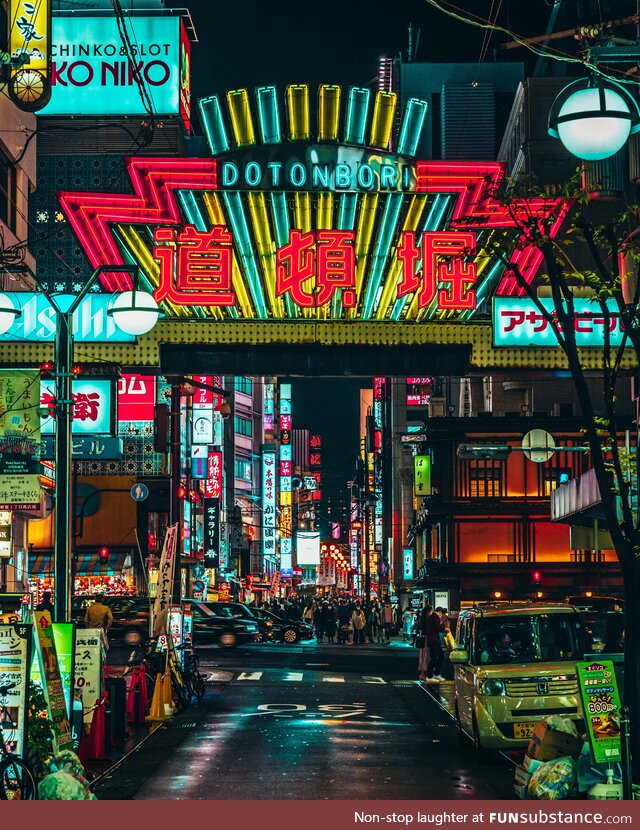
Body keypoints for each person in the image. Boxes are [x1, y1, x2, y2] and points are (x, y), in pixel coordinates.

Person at [425, 605, 444, 682]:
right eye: (442, 613)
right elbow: (438, 628)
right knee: (436, 657)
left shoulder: (430, 617)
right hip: (434, 640)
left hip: (432, 640)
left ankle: (435, 673)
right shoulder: (435, 617)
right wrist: (444, 627)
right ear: (439, 612)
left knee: (439, 656)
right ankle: (430, 676)